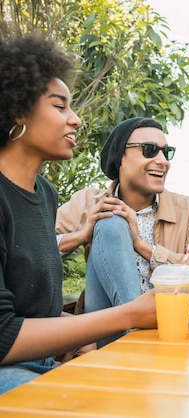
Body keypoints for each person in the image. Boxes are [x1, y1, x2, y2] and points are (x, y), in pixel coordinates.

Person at [0, 32, 157, 394]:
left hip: (42, 362)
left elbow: (32, 306)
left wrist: (72, 334)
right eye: (59, 107)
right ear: (16, 109)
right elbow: (3, 334)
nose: (76, 120)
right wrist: (129, 314)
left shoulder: (45, 195)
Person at [56, 117, 189, 345]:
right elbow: (33, 253)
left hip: (167, 325)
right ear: (120, 157)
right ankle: (134, 339)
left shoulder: (188, 210)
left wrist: (143, 247)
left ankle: (133, 342)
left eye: (166, 152)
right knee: (110, 222)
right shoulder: (87, 203)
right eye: (150, 150)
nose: (163, 161)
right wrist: (82, 234)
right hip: (104, 330)